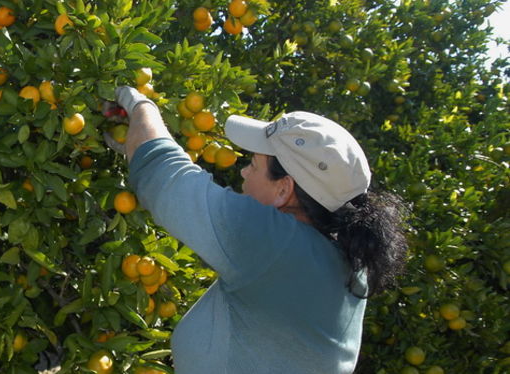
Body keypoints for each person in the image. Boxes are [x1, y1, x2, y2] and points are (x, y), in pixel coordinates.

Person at [105, 86, 409, 373]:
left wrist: (140, 106)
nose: (243, 171)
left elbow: (163, 177)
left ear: (283, 190)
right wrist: (136, 141)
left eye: (253, 164)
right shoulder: (342, 261)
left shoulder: (279, 245)